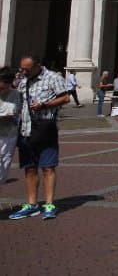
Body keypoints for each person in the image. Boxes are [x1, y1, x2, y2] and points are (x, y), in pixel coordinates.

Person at [9, 56, 70, 220]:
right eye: (21, 68)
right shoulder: (23, 80)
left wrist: (45, 105)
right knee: (29, 168)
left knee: (48, 167)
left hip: (45, 129)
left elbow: (65, 98)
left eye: (26, 69)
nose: (23, 71)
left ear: (37, 66)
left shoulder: (53, 77)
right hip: (26, 129)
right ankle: (32, 204)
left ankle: (49, 204)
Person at [0, 67, 21, 184]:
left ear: (9, 84)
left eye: (3, 87)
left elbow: (16, 112)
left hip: (9, 135)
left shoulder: (15, 95)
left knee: (4, 165)